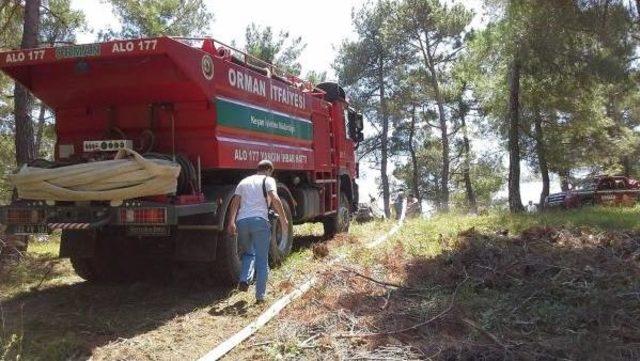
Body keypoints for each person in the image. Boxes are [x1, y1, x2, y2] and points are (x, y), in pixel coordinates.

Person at [226, 160, 288, 303]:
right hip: (259, 222)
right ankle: (260, 296)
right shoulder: (268, 180)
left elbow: (235, 202)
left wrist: (231, 222)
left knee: (248, 253)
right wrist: (284, 220)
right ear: (269, 170)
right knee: (262, 259)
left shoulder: (244, 181)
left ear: (257, 169)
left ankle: (244, 279)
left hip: (242, 222)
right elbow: (275, 198)